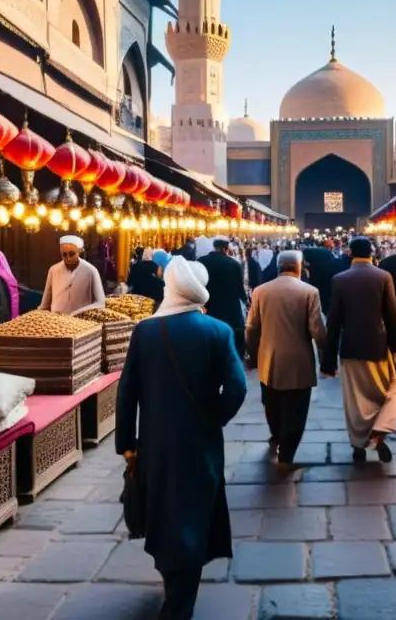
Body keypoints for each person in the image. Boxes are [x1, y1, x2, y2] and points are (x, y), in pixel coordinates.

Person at [116, 257, 247, 620]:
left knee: (163, 510)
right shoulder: (218, 331)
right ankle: (180, 589)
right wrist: (214, 418)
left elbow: (127, 393)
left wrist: (127, 444)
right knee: (194, 508)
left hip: (156, 444)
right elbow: (237, 388)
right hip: (201, 441)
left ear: (170, 289)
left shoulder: (146, 331)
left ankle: (176, 593)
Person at [323, 237, 396, 464]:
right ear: (372, 252)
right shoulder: (383, 277)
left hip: (350, 347)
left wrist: (328, 360)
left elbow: (334, 321)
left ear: (350, 253)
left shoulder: (339, 279)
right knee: (389, 390)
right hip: (378, 345)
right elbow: (392, 316)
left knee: (355, 400)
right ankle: (379, 430)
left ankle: (358, 444)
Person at [246, 250, 326, 466]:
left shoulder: (261, 291)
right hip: (299, 360)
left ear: (279, 266)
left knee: (271, 402)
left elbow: (251, 327)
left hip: (268, 359)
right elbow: (317, 329)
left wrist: (252, 354)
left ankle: (276, 434)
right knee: (297, 407)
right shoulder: (310, 292)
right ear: (298, 267)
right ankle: (288, 450)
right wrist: (324, 354)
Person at [199, 237, 247, 356]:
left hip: (209, 307)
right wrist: (245, 301)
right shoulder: (234, 264)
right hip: (230, 309)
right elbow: (239, 288)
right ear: (226, 249)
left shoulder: (201, 261)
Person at [39, 235, 106, 315]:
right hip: (57, 321)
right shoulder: (53, 270)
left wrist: (78, 313)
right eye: (64, 254)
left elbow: (100, 303)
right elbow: (45, 304)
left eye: (72, 254)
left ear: (79, 251)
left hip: (81, 322)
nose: (68, 258)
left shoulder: (91, 271)